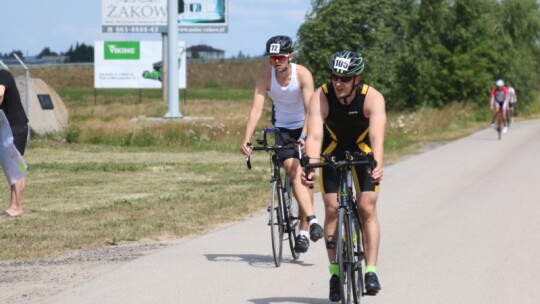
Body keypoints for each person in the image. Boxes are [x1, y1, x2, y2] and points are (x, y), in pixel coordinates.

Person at [302, 51, 386, 301]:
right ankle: (336, 274)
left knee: (367, 208)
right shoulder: (321, 96)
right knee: (331, 208)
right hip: (332, 150)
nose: (338, 83)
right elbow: (315, 136)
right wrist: (310, 165)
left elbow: (377, 138)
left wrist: (377, 164)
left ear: (356, 79)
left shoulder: (372, 98)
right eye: (335, 77)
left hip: (362, 150)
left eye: (345, 78)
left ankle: (370, 271)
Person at [240, 35, 323, 253]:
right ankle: (311, 219)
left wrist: (304, 137)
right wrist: (246, 139)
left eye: (280, 57)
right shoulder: (265, 78)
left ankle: (305, 230)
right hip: (282, 129)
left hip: (305, 125)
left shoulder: (302, 74)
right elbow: (256, 110)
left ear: (290, 56)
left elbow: (310, 111)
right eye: (272, 58)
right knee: (290, 169)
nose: (276, 62)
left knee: (306, 177)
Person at [0, 69, 29, 217]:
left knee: (14, 166)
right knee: (12, 166)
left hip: (15, 127)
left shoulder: (2, 74)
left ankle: (16, 207)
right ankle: (15, 205)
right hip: (8, 127)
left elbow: (0, 94)